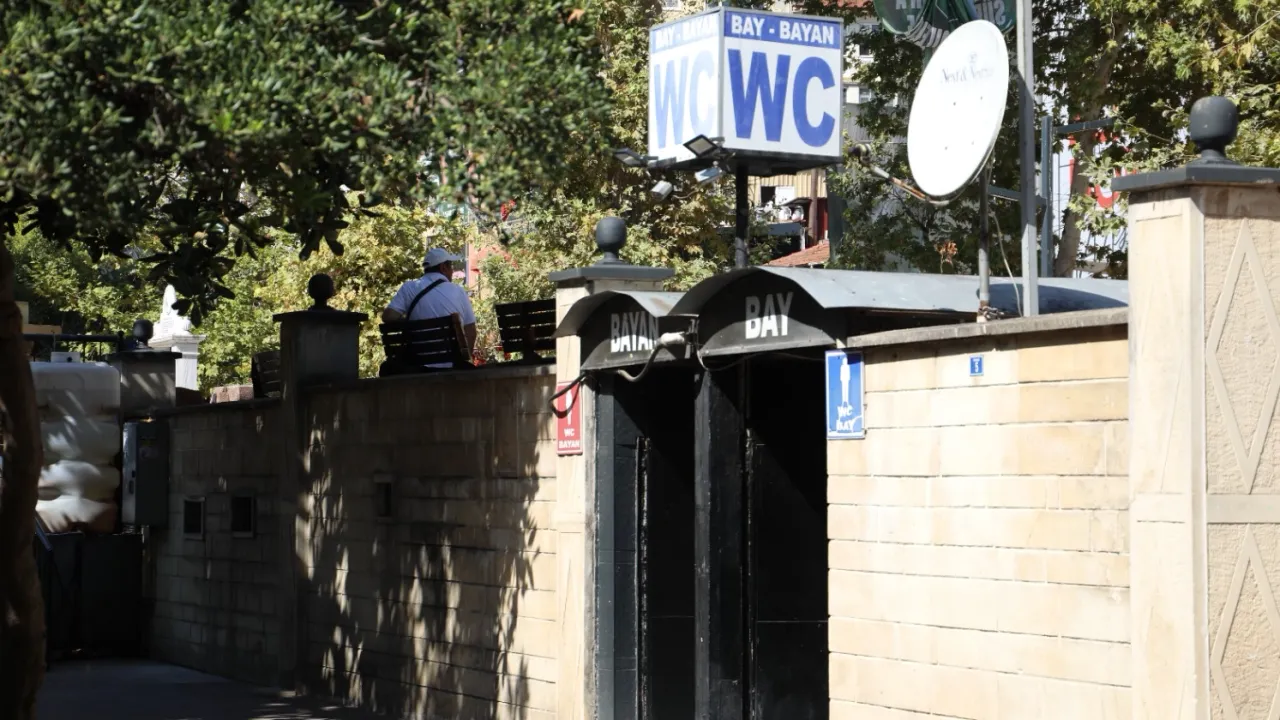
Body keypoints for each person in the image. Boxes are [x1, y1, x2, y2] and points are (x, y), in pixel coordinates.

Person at [382, 248, 477, 362]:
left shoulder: (409, 288)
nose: (452, 271)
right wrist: (464, 361)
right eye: (451, 267)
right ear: (443, 268)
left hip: (418, 364)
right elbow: (471, 331)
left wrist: (410, 321)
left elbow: (388, 317)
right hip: (452, 364)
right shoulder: (459, 291)